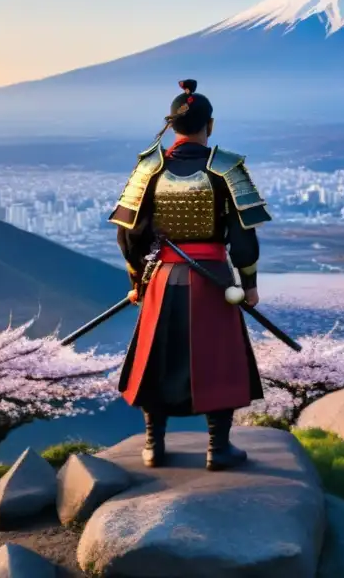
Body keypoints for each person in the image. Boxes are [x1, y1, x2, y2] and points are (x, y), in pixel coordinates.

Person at [108, 79, 270, 471]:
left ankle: (153, 445)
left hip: (162, 277)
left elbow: (128, 235)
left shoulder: (149, 169)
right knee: (219, 357)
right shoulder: (226, 168)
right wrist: (248, 285)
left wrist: (137, 283)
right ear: (209, 126)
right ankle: (218, 447)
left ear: (172, 126)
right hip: (214, 278)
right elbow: (243, 237)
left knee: (155, 355)